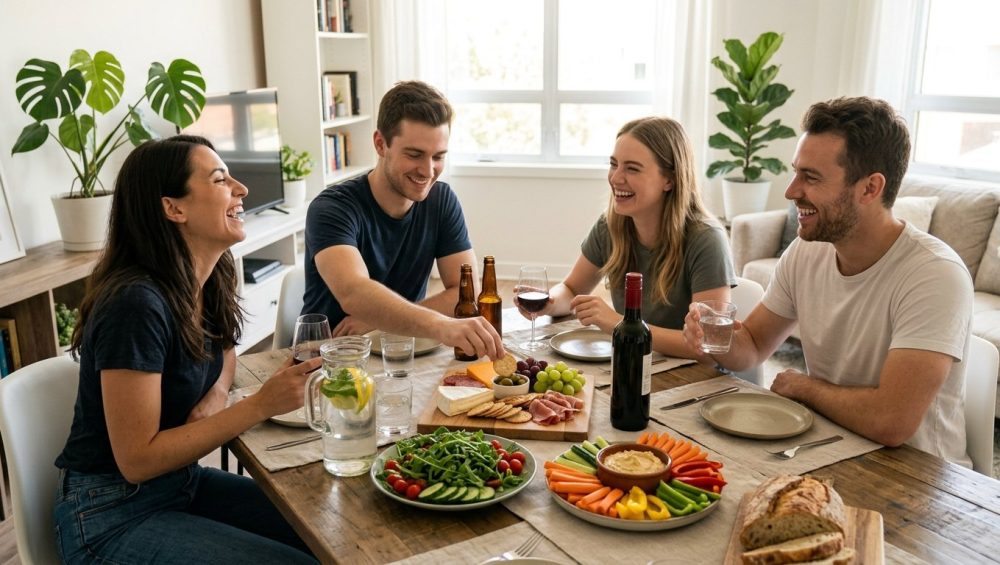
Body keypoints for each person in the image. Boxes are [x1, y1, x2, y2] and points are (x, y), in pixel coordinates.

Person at [54, 135, 319, 563]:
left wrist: (216, 397)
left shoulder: (208, 277)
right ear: (173, 208)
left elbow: (226, 353)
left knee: (322, 527)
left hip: (181, 484)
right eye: (220, 180)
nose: (241, 189)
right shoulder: (135, 305)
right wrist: (258, 405)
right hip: (109, 515)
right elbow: (136, 461)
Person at [683, 97, 974, 466]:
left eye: (811, 177)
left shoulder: (935, 275)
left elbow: (891, 421)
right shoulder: (808, 253)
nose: (790, 191)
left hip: (918, 477)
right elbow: (754, 344)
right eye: (796, 172)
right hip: (831, 448)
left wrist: (805, 388)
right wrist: (714, 338)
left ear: (870, 189)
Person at [302, 80, 503, 360]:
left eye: (438, 157)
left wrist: (377, 319)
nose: (428, 170)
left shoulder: (441, 199)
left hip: (404, 350)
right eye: (415, 154)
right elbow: (354, 293)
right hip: (333, 357)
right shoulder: (332, 208)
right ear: (380, 144)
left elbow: (466, 291)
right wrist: (439, 324)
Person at [519, 117, 734, 357]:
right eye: (614, 164)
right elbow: (571, 288)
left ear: (669, 180)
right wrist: (550, 301)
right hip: (634, 361)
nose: (616, 178)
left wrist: (618, 323)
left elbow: (706, 346)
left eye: (632, 168)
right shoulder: (611, 225)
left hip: (693, 377)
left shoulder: (706, 239)